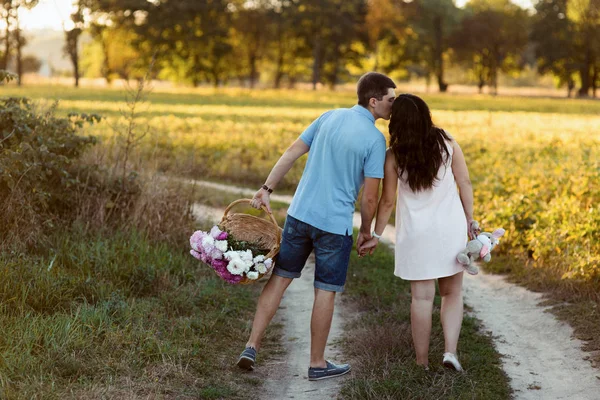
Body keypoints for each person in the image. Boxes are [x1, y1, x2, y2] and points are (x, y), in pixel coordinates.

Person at [237, 72, 396, 381]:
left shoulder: (328, 116)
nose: (394, 105)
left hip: (299, 215)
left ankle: (251, 346)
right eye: (391, 100)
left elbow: (292, 151)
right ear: (374, 101)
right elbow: (371, 196)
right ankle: (317, 363)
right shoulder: (376, 140)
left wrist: (266, 189)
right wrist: (366, 232)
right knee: (325, 291)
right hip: (334, 226)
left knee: (280, 279)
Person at [358, 93, 478, 371]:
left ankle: (422, 362)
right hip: (451, 229)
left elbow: (387, 201)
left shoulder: (394, 156)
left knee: (422, 299)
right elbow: (465, 182)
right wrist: (471, 219)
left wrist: (375, 235)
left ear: (397, 123)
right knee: (451, 294)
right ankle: (450, 352)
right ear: (426, 115)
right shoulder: (447, 142)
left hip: (416, 235)